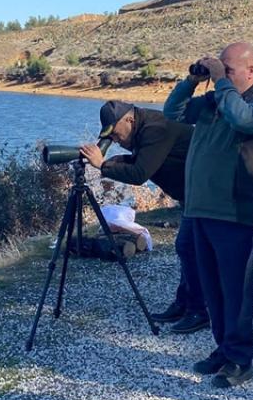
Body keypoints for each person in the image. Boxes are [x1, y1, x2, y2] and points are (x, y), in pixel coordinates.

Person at [164, 42, 253, 388]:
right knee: (213, 289)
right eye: (220, 69)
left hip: (236, 214)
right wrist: (191, 80)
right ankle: (223, 349)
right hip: (200, 210)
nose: (221, 76)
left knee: (236, 291)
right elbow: (173, 112)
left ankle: (240, 359)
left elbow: (240, 118)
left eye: (228, 70)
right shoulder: (213, 101)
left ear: (251, 71)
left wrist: (220, 82)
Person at [78, 100, 207, 335]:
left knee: (188, 247)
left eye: (115, 134)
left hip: (205, 191)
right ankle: (185, 304)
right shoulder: (142, 128)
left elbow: (140, 173)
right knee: (189, 248)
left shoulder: (156, 129)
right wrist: (108, 162)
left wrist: (103, 165)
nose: (116, 140)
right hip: (193, 192)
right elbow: (142, 159)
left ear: (129, 119)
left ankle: (199, 311)